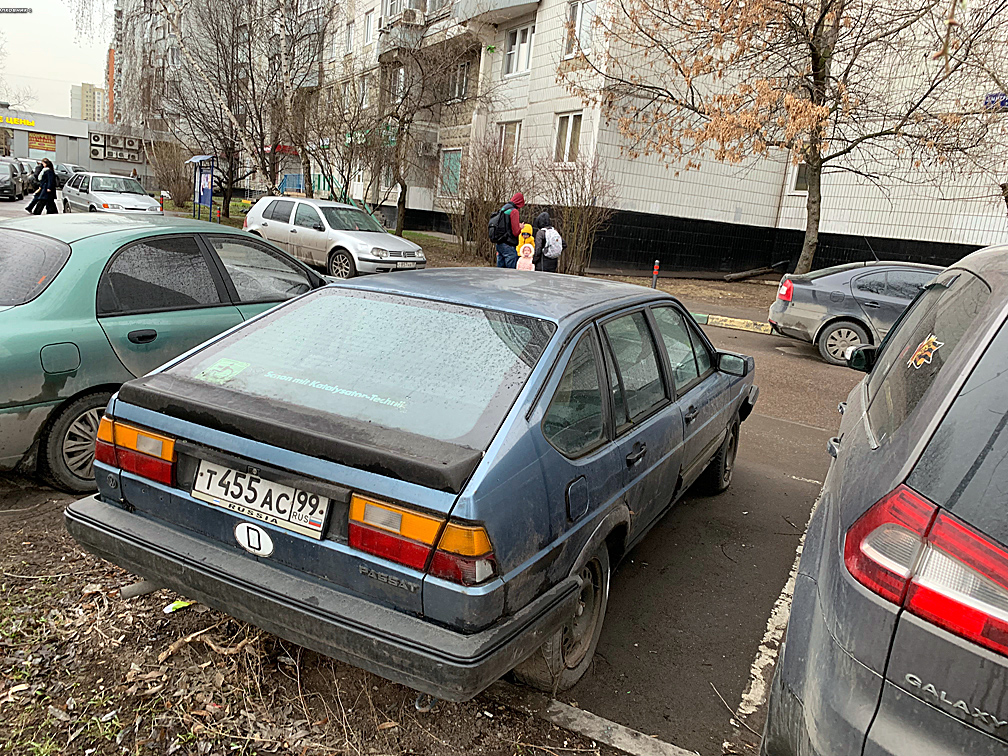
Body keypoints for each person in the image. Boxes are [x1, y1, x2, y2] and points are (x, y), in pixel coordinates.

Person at [491, 192, 525, 269]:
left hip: (500, 243)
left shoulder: (504, 208)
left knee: (500, 270)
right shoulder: (514, 211)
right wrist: (520, 227)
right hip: (509, 244)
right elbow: (515, 232)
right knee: (510, 272)